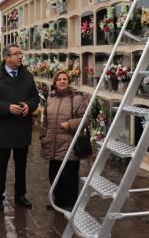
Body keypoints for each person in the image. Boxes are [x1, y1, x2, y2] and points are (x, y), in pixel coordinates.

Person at [0, 44, 40, 211]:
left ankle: (20, 195)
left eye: (20, 53)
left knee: (21, 166)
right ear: (6, 58)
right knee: (0, 165)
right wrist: (7, 108)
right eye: (16, 54)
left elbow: (35, 97)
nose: (20, 56)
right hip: (3, 130)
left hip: (22, 129)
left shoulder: (28, 76)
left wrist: (29, 106)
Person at [40, 70, 88, 212]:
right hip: (52, 143)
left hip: (70, 144)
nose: (62, 81)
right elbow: (45, 120)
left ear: (68, 81)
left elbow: (86, 119)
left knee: (70, 176)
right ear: (54, 82)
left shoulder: (77, 98)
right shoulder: (50, 98)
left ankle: (70, 203)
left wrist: (70, 124)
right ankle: (58, 200)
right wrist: (43, 137)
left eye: (65, 79)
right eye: (59, 79)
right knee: (54, 174)